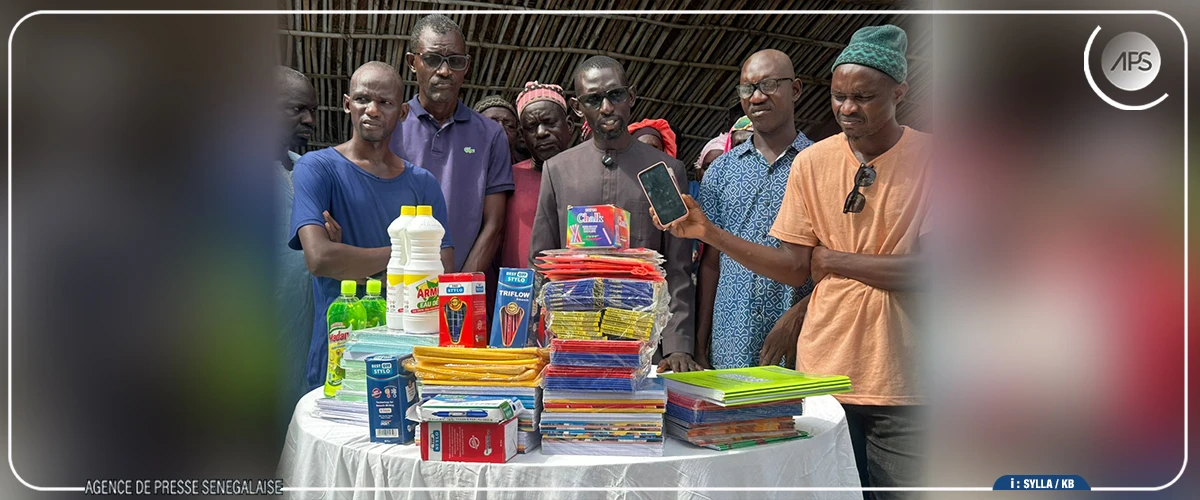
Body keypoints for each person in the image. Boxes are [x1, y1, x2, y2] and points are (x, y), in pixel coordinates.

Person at [656, 25, 928, 497]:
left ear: (899, 92)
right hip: (821, 375)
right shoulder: (812, 164)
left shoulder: (935, 159)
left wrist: (834, 260)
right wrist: (710, 234)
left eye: (863, 96)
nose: (847, 108)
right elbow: (794, 265)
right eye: (839, 96)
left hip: (904, 377)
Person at [528, 56, 700, 373]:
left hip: (646, 346)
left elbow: (677, 269)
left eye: (615, 95)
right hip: (573, 341)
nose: (607, 107)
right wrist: (535, 338)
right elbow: (542, 262)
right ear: (577, 107)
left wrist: (678, 347)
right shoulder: (559, 171)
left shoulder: (663, 171)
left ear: (630, 97)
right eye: (594, 99)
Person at [290, 61, 454, 391]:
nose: (373, 110)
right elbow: (320, 259)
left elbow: (442, 271)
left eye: (385, 102)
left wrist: (350, 260)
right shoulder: (317, 168)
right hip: (338, 355)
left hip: (408, 358)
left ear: (403, 112)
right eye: (363, 99)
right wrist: (408, 258)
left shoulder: (423, 183)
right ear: (347, 103)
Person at [694, 49, 815, 371]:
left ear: (796, 89)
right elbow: (711, 264)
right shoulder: (721, 172)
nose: (757, 97)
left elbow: (835, 263)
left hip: (802, 339)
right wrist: (700, 344)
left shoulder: (822, 164)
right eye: (748, 88)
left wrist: (800, 314)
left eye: (769, 85)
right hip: (730, 341)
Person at [390, 14, 514, 274]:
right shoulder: (391, 127)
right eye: (433, 59)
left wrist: (460, 286)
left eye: (455, 61)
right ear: (412, 63)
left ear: (466, 66)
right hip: (396, 284)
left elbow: (494, 225)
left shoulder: (491, 135)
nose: (445, 71)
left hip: (460, 286)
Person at [501, 81, 573, 270]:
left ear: (569, 126)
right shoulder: (509, 178)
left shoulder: (586, 176)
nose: (541, 133)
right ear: (522, 136)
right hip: (516, 286)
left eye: (549, 123)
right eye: (532, 127)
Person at [473, 95, 526, 164]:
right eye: (491, 124)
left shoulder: (526, 168)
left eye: (510, 126)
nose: (501, 130)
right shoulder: (461, 165)